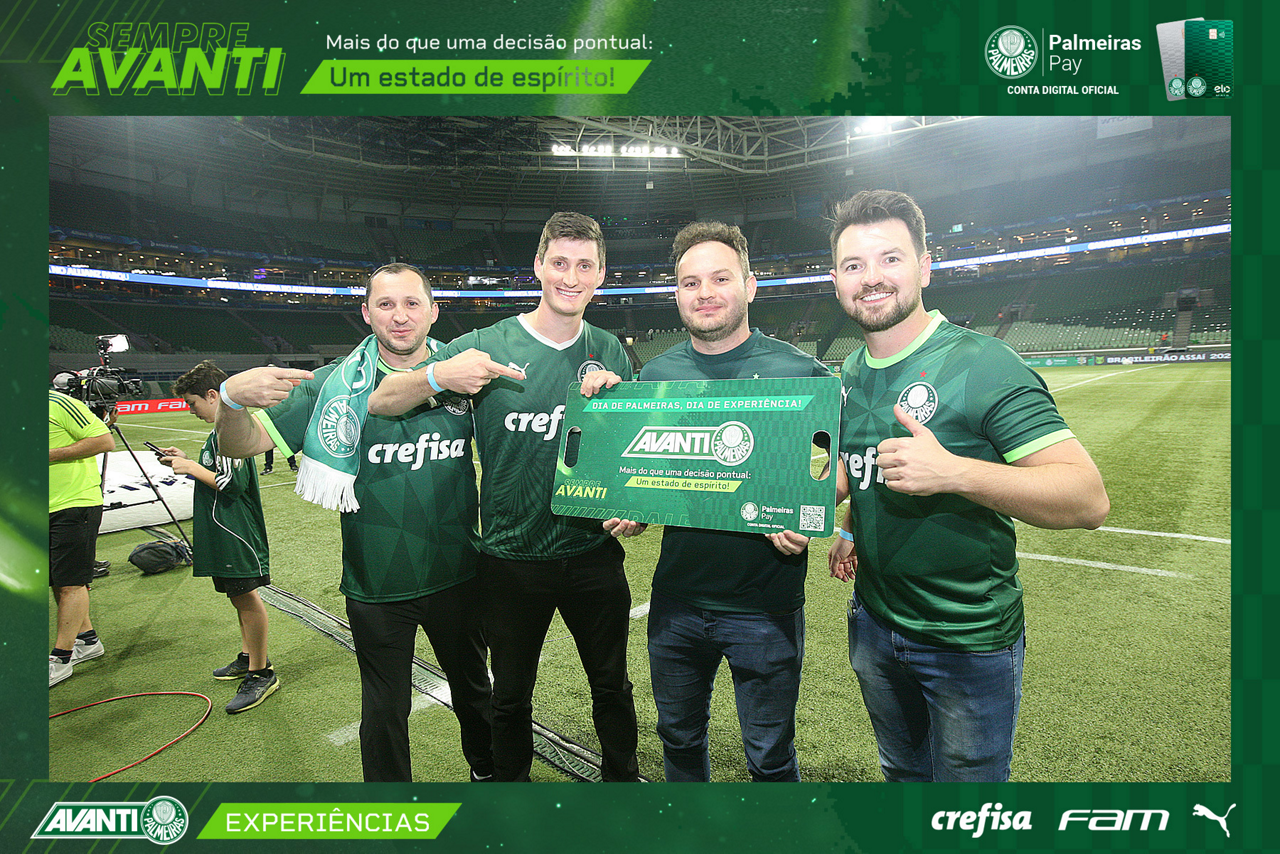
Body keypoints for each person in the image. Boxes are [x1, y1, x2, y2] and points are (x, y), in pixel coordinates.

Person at [826, 189, 1110, 782]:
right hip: (874, 623)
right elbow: (864, 464)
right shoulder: (851, 369)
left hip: (966, 640)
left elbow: (1087, 498)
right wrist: (848, 524)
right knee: (902, 775)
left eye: (890, 259)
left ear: (925, 267)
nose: (871, 278)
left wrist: (954, 471)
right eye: (854, 265)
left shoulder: (985, 363)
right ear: (836, 281)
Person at [368, 212, 641, 783]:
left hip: (593, 556)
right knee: (511, 697)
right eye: (559, 263)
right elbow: (383, 399)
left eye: (584, 266)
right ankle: (511, 800)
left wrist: (632, 508)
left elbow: (627, 457)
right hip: (511, 562)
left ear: (601, 275)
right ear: (538, 266)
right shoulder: (484, 345)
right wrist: (438, 376)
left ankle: (623, 787)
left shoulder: (609, 349)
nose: (570, 277)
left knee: (612, 687)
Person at [216, 263, 493, 782]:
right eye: (386, 304)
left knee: (476, 692)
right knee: (385, 710)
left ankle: (489, 777)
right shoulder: (334, 383)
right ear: (366, 314)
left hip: (458, 573)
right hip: (375, 582)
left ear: (434, 312)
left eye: (412, 303)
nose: (400, 316)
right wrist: (229, 401)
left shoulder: (465, 371)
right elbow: (242, 445)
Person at [580, 222, 831, 781]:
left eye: (720, 278)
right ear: (677, 295)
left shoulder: (799, 371)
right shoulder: (657, 375)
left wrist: (812, 512)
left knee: (770, 756)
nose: (705, 293)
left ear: (750, 285)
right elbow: (653, 471)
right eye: (690, 282)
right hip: (677, 601)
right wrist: (635, 506)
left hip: (766, 604)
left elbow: (844, 460)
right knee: (679, 740)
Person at [161, 360, 278, 714]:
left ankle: (261, 672)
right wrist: (188, 460)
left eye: (192, 402)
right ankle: (248, 656)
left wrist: (191, 468)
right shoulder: (219, 433)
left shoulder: (229, 432)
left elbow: (232, 483)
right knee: (237, 597)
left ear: (213, 396)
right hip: (223, 530)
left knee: (246, 597)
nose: (191, 410)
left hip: (235, 532)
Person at [48, 389, 114, 687]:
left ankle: (61, 658)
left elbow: (104, 441)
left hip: (74, 503)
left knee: (71, 582)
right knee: (57, 579)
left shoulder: (57, 403)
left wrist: (46, 455)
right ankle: (87, 640)